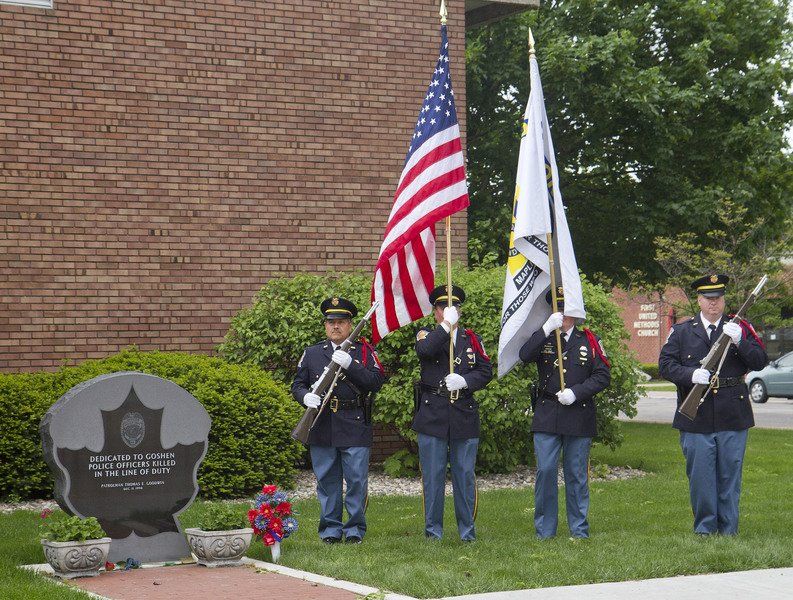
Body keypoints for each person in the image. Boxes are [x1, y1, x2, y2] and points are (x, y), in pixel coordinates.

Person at [659, 274, 767, 535]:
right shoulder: (683, 331)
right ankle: (705, 530)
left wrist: (740, 340)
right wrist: (689, 375)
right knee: (701, 477)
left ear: (724, 300)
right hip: (696, 415)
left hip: (733, 411)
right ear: (698, 300)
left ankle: (729, 530)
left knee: (730, 475)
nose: (713, 304)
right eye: (708, 299)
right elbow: (666, 365)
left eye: (717, 299)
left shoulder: (739, 327)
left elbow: (760, 361)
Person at [518, 288, 611, 540]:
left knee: (577, 474)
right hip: (547, 413)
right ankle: (545, 530)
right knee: (546, 471)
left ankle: (579, 529)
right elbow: (524, 356)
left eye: (567, 308)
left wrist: (577, 392)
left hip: (578, 413)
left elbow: (603, 376)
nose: (563, 313)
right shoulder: (545, 337)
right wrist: (547, 329)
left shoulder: (589, 340)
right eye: (558, 308)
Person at [291, 296, 385, 544]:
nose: (335, 326)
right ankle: (331, 530)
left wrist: (352, 365)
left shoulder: (364, 352)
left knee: (356, 481)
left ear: (350, 324)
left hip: (354, 422)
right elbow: (297, 385)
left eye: (341, 322)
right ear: (325, 325)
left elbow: (376, 382)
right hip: (322, 424)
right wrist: (305, 397)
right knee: (327, 481)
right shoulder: (312, 354)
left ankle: (354, 530)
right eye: (330, 322)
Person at [413, 284, 493, 541]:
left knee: (464, 476)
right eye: (443, 307)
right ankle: (432, 532)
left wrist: (466, 381)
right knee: (433, 478)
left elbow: (485, 371)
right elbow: (425, 352)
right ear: (435, 311)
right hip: (433, 414)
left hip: (463, 413)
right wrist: (445, 327)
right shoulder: (426, 334)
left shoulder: (472, 339)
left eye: (454, 307)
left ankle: (467, 532)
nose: (450, 311)